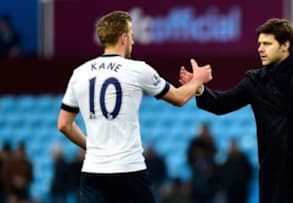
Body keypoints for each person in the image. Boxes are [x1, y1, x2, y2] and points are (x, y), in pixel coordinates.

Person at [179, 18, 293, 203]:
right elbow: (220, 104)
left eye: (267, 44)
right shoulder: (254, 82)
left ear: (285, 45)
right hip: (275, 182)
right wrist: (198, 87)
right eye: (259, 44)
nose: (260, 49)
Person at [57, 10, 212, 203]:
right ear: (123, 37)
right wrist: (197, 81)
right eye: (131, 35)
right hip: (128, 170)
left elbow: (64, 124)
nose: (133, 42)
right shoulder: (137, 69)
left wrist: (92, 147)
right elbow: (179, 98)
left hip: (93, 172)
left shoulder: (79, 73)